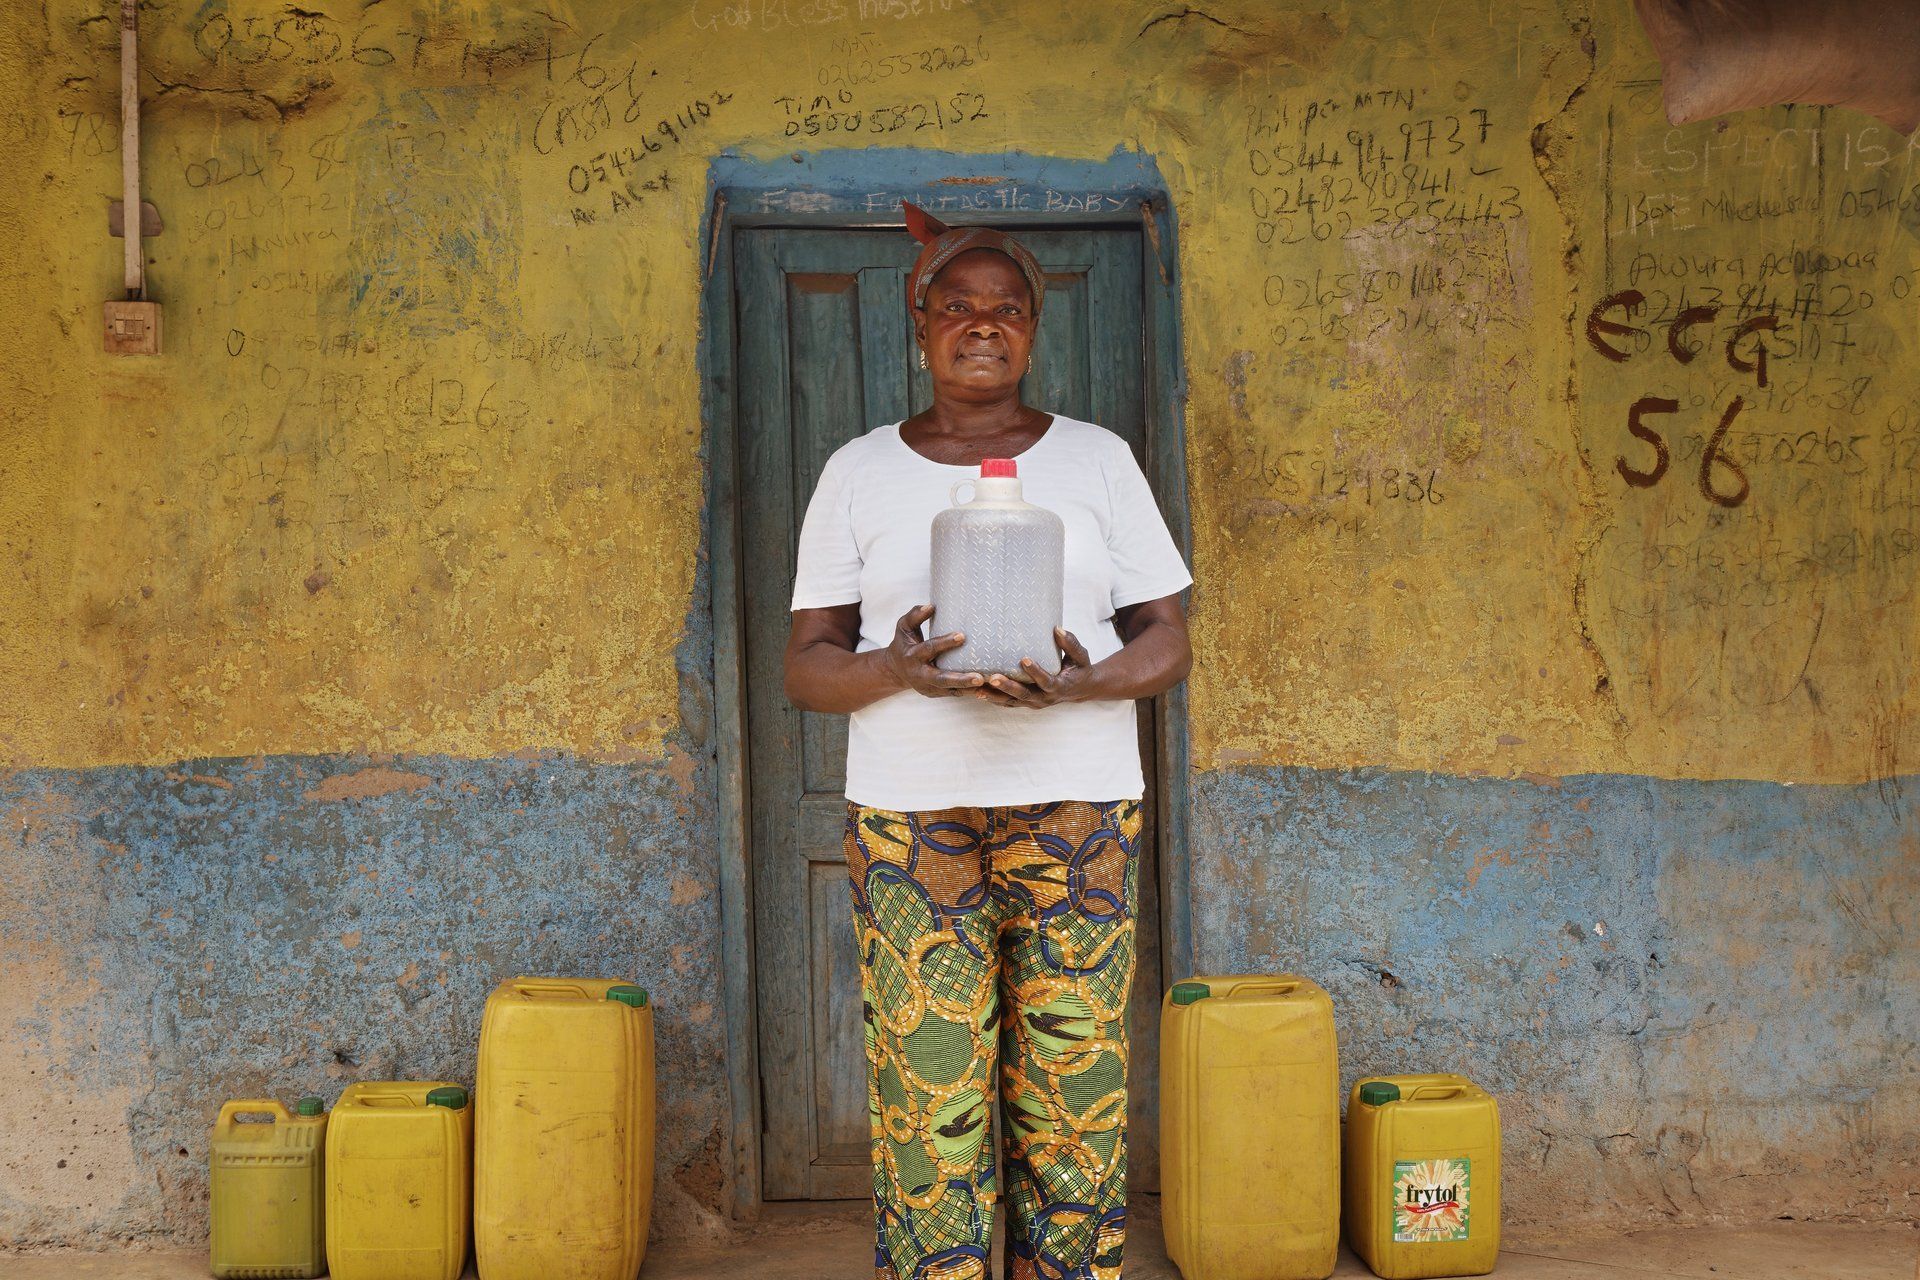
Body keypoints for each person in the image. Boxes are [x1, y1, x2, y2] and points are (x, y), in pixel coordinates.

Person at [784, 202, 1193, 1280]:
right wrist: (892, 669)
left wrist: (1084, 683)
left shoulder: (1097, 462)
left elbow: (1170, 637)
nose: (981, 323)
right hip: (912, 820)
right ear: (918, 323)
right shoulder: (858, 471)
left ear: (1031, 330)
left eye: (1004, 308)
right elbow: (807, 660)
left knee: (1074, 1088)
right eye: (956, 305)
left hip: (1081, 810)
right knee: (931, 1093)